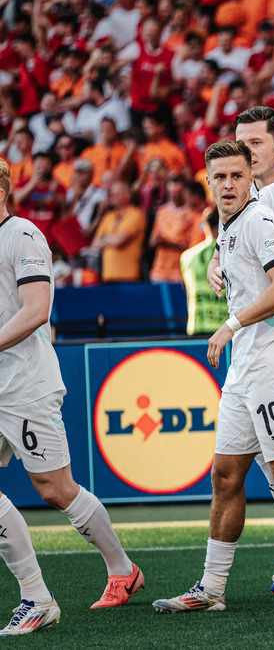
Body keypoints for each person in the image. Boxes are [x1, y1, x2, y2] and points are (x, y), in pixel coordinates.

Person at [153, 140, 274, 613]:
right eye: (220, 178)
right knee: (225, 475)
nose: (229, 185)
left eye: (237, 176)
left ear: (250, 177)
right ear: (209, 181)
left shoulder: (260, 220)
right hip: (246, 368)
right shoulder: (228, 224)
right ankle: (212, 589)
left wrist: (231, 325)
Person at [0, 158, 144, 636]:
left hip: (24, 384)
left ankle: (123, 569)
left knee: (54, 488)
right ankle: (37, 597)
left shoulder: (22, 234)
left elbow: (37, 309)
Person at [180, 208, 230, 335]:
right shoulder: (231, 254)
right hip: (225, 327)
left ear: (205, 225)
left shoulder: (187, 257)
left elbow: (186, 288)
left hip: (197, 326)